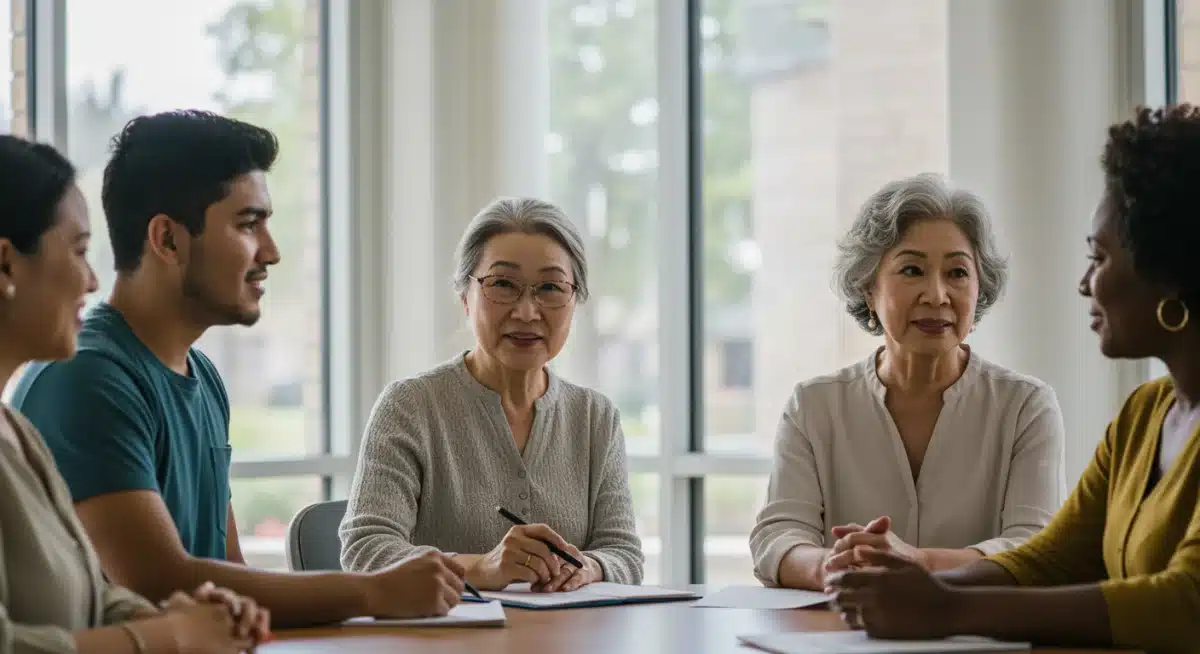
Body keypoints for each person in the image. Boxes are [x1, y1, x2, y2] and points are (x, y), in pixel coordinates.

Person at [9, 110, 467, 627]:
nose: (270, 252)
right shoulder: (87, 378)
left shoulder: (203, 378)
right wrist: (370, 592)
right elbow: (160, 580)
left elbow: (226, 574)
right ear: (168, 240)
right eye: (249, 224)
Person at [826, 105, 1200, 652]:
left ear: (1168, 272)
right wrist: (904, 589)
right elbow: (1053, 559)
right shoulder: (1146, 415)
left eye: (1098, 258)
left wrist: (944, 606)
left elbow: (1186, 603)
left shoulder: (1028, 403)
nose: (1084, 283)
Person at [0, 133, 271, 653]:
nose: (91, 279)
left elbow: (95, 595)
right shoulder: (85, 378)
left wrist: (195, 618)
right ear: (7, 265)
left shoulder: (17, 436)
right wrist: (168, 635)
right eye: (78, 251)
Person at [750, 173, 1067, 591]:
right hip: (843, 638)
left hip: (979, 644)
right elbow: (778, 536)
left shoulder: (1026, 405)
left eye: (957, 273)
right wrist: (833, 566)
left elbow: (1033, 547)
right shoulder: (814, 404)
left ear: (979, 288)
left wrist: (918, 562)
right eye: (912, 270)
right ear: (869, 288)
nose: (936, 295)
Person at [339, 197, 644, 592]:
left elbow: (624, 553)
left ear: (574, 302)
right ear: (465, 297)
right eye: (503, 285)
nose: (527, 312)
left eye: (551, 287)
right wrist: (479, 568)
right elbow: (365, 551)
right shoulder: (410, 407)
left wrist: (589, 566)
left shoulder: (595, 416)